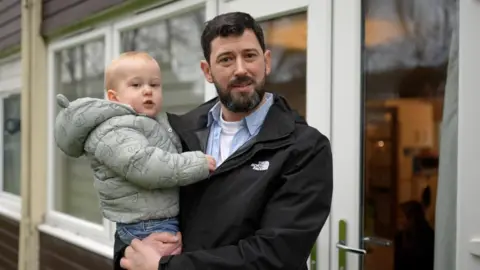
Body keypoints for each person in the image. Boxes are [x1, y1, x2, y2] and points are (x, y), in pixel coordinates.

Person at [116, 11, 333, 270]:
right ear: (207, 71)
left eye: (249, 56)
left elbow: (276, 255)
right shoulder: (176, 132)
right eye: (226, 59)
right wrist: (132, 251)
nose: (240, 70)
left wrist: (166, 267)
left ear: (266, 62)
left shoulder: (304, 148)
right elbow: (132, 203)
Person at [53, 51, 216, 247]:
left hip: (154, 217)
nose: (148, 91)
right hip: (148, 224)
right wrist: (197, 164)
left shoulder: (147, 123)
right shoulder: (115, 130)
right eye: (136, 85)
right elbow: (145, 165)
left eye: (154, 84)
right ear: (114, 97)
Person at [394, 200, 435, 270]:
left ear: (412, 218)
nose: (399, 220)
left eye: (402, 216)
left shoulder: (428, 237)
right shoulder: (399, 237)